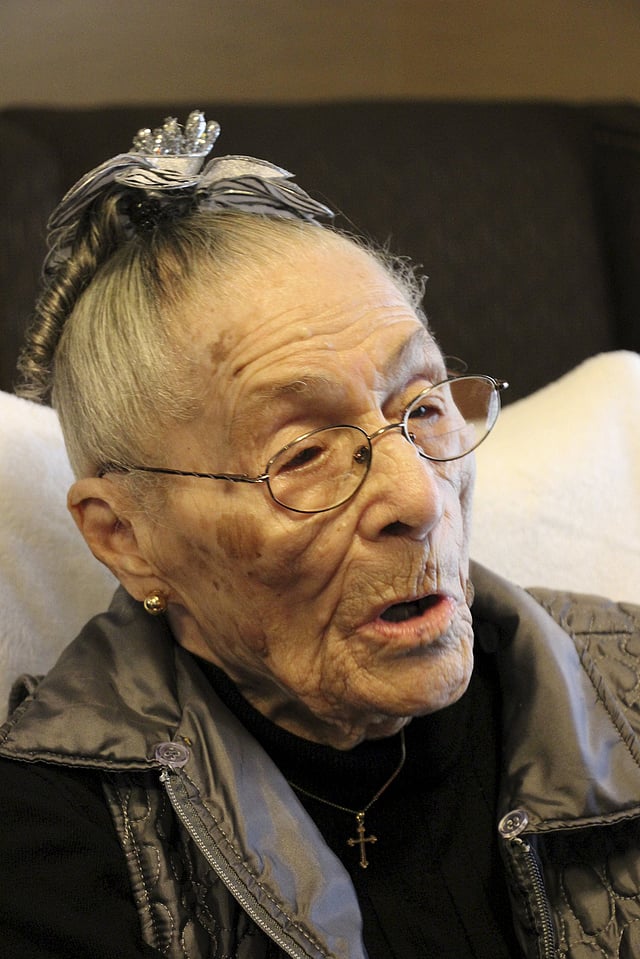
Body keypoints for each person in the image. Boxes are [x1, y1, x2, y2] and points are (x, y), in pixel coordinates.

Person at [1, 111, 640, 959]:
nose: (417, 496)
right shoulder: (53, 835)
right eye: (302, 454)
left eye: (424, 408)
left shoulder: (627, 694)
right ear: (125, 537)